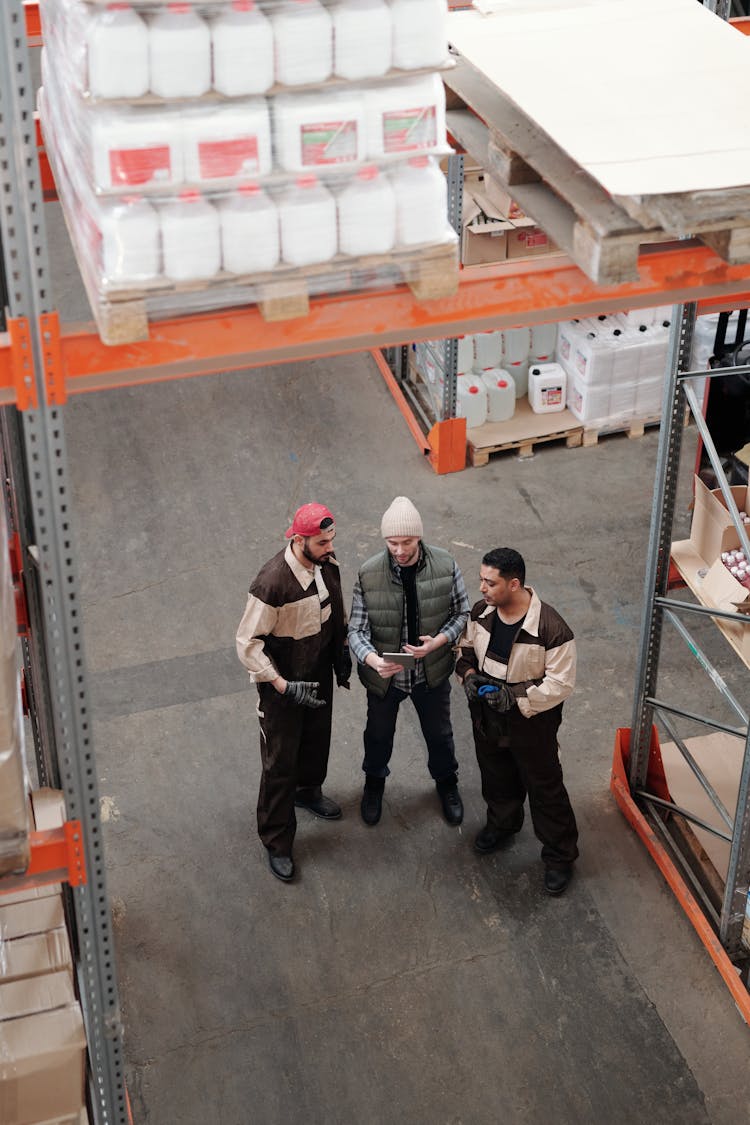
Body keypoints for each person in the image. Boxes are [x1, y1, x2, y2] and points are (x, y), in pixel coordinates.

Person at [236, 503, 351, 883]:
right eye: (321, 542)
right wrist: (283, 686)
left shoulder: (327, 563)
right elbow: (247, 643)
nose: (329, 547)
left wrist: (341, 657)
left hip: (316, 670)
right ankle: (277, 840)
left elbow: (336, 611)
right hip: (282, 683)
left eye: (331, 539)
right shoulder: (272, 582)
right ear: (299, 540)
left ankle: (308, 791)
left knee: (317, 741)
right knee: (279, 763)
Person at [456, 547, 579, 896]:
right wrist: (467, 676)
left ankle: (560, 857)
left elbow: (561, 683)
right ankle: (503, 825)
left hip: (531, 724)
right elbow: (464, 650)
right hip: (487, 717)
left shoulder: (551, 629)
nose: (481, 588)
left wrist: (514, 696)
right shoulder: (481, 613)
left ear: (514, 584)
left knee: (545, 789)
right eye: (481, 579)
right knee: (496, 777)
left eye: (489, 582)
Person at [348, 496, 470, 827]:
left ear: (419, 537)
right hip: (386, 676)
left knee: (440, 734)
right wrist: (373, 661)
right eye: (392, 542)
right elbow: (356, 630)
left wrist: (440, 641)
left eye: (407, 542)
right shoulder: (368, 574)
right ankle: (374, 785)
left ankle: (447, 784)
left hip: (430, 673)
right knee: (377, 735)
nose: (400, 550)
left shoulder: (446, 565)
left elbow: (462, 612)